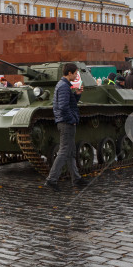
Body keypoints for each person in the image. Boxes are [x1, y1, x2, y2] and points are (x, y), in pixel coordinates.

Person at [44, 63, 89, 191]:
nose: (76, 75)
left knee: (70, 152)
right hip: (66, 123)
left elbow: (67, 102)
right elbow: (63, 107)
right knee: (64, 151)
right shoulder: (64, 86)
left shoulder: (63, 85)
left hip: (65, 122)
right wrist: (72, 119)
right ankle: (51, 180)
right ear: (69, 73)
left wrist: (77, 94)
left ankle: (76, 178)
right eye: (75, 73)